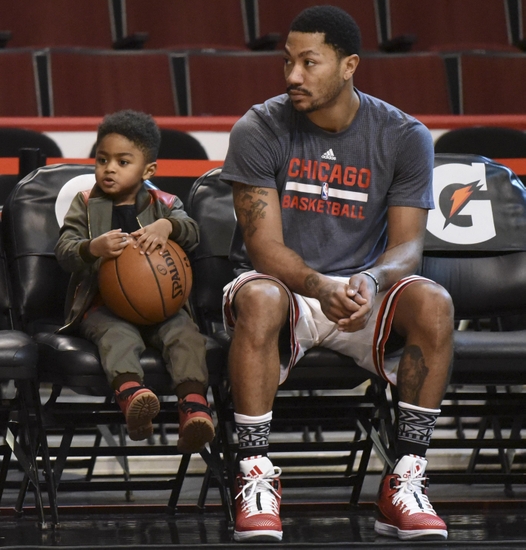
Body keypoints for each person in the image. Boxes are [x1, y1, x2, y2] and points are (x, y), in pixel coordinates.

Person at [220, 5, 454, 543]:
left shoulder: (403, 135)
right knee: (258, 297)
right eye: (287, 62)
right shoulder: (259, 126)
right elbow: (263, 248)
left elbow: (407, 248)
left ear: (349, 65)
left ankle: (405, 477)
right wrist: (320, 287)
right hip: (284, 289)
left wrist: (370, 281)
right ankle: (254, 474)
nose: (293, 76)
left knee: (434, 302)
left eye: (309, 62)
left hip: (359, 292)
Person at [55, 109, 215, 453]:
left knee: (186, 336)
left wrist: (168, 226)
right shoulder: (84, 205)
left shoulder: (166, 204)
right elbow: (64, 251)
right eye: (102, 159)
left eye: (122, 161)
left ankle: (194, 407)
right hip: (103, 306)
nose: (109, 168)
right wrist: (91, 247)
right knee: (117, 336)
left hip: (163, 306)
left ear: (148, 170)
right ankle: (133, 397)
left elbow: (194, 233)